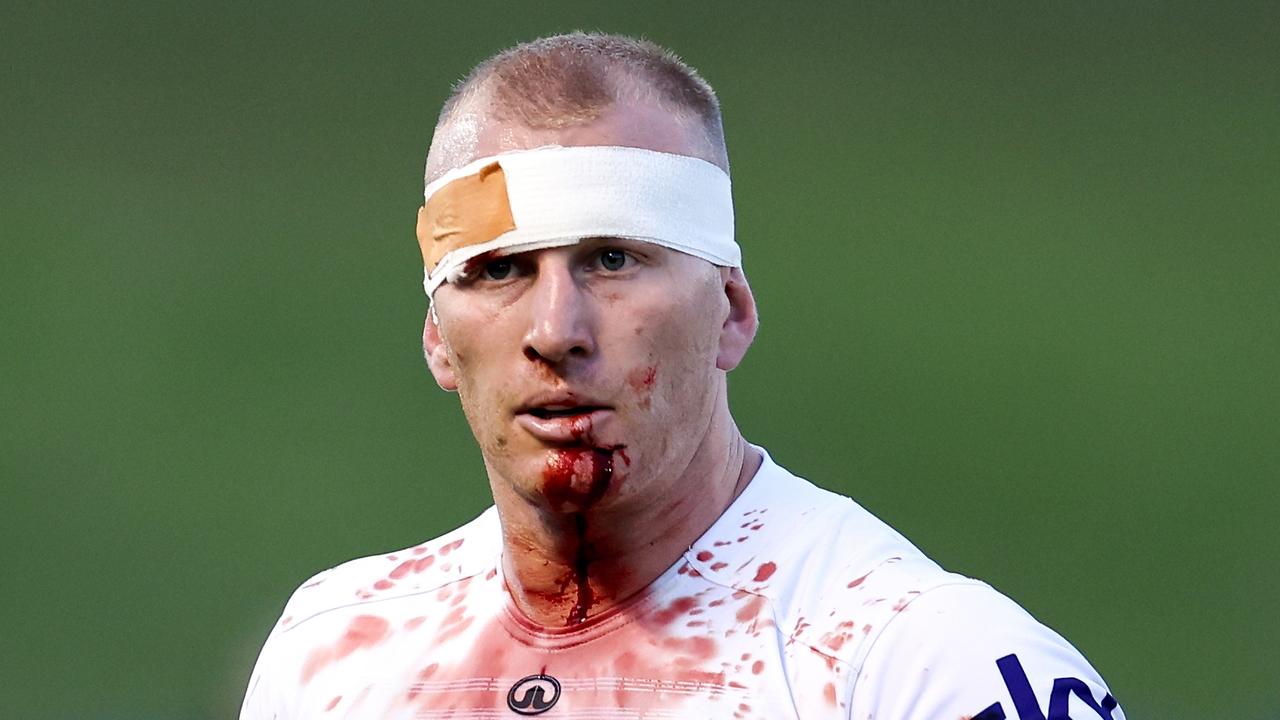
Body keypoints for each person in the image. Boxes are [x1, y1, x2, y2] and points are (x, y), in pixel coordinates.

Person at [240, 32, 1124, 720]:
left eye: (614, 259)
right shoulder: (336, 654)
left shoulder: (917, 665)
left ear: (731, 313)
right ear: (438, 336)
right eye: (499, 270)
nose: (556, 330)